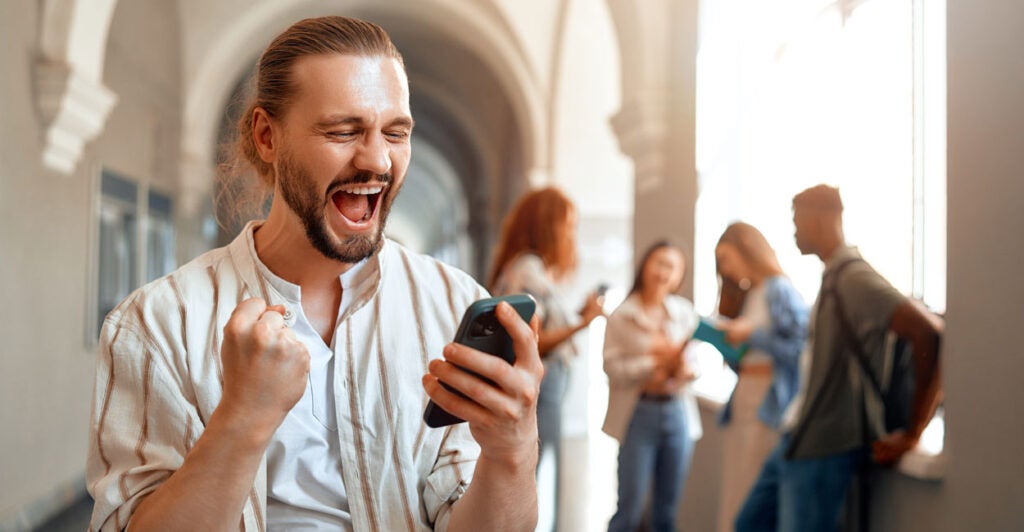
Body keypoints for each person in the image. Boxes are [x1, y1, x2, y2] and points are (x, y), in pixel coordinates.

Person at [86, 16, 543, 531]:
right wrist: (241, 421)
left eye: (395, 133)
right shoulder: (156, 325)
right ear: (266, 137)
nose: (378, 160)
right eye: (343, 131)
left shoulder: (451, 303)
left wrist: (512, 450)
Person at [735, 185, 942, 531]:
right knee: (748, 523)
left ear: (821, 218)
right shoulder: (833, 276)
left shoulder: (854, 278)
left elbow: (930, 334)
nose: (795, 232)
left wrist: (912, 432)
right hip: (797, 435)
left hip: (824, 446)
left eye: (797, 220)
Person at [487, 186, 605, 531]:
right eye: (568, 225)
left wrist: (576, 318)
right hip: (540, 384)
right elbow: (529, 342)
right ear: (548, 225)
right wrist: (583, 323)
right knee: (535, 472)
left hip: (546, 384)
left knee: (535, 469)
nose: (572, 234)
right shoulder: (529, 268)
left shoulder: (528, 267)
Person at [713, 222, 808, 532]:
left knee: (754, 487)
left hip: (770, 400)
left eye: (727, 259)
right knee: (736, 484)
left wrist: (753, 334)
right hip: (745, 396)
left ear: (746, 250)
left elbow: (799, 347)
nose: (725, 269)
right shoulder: (748, 293)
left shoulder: (778, 289)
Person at [602, 240, 703, 532]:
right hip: (638, 414)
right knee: (629, 508)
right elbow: (612, 368)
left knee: (666, 510)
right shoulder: (621, 315)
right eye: (659, 263)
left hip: (678, 414)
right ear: (645, 265)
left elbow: (696, 366)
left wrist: (684, 369)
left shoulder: (684, 313)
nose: (664, 272)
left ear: (680, 274)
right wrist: (652, 364)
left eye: (672, 267)